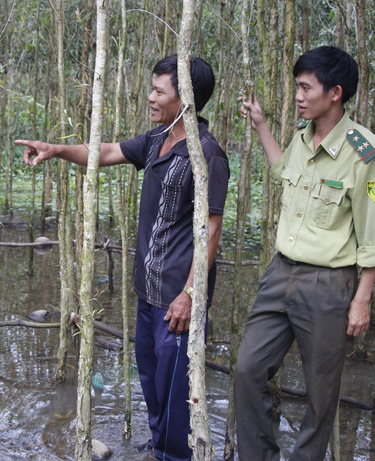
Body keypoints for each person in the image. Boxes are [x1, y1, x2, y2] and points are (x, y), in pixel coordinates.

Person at [16, 55, 230, 461]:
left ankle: (174, 455)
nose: (150, 97)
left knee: (175, 386)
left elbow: (212, 230)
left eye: (158, 91)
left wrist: (189, 293)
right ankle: (158, 448)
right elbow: (108, 150)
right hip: (148, 291)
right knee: (150, 377)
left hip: (178, 298)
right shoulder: (156, 140)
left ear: (185, 98)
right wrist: (55, 149)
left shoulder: (207, 155)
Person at [234, 46, 375, 460]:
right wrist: (262, 126)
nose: (299, 96)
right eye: (297, 87)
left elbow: (374, 235)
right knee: (249, 370)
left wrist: (362, 300)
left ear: (335, 92)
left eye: (306, 88)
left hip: (328, 285)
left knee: (321, 393)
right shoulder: (302, 139)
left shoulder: (366, 153)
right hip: (279, 274)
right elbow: (283, 170)